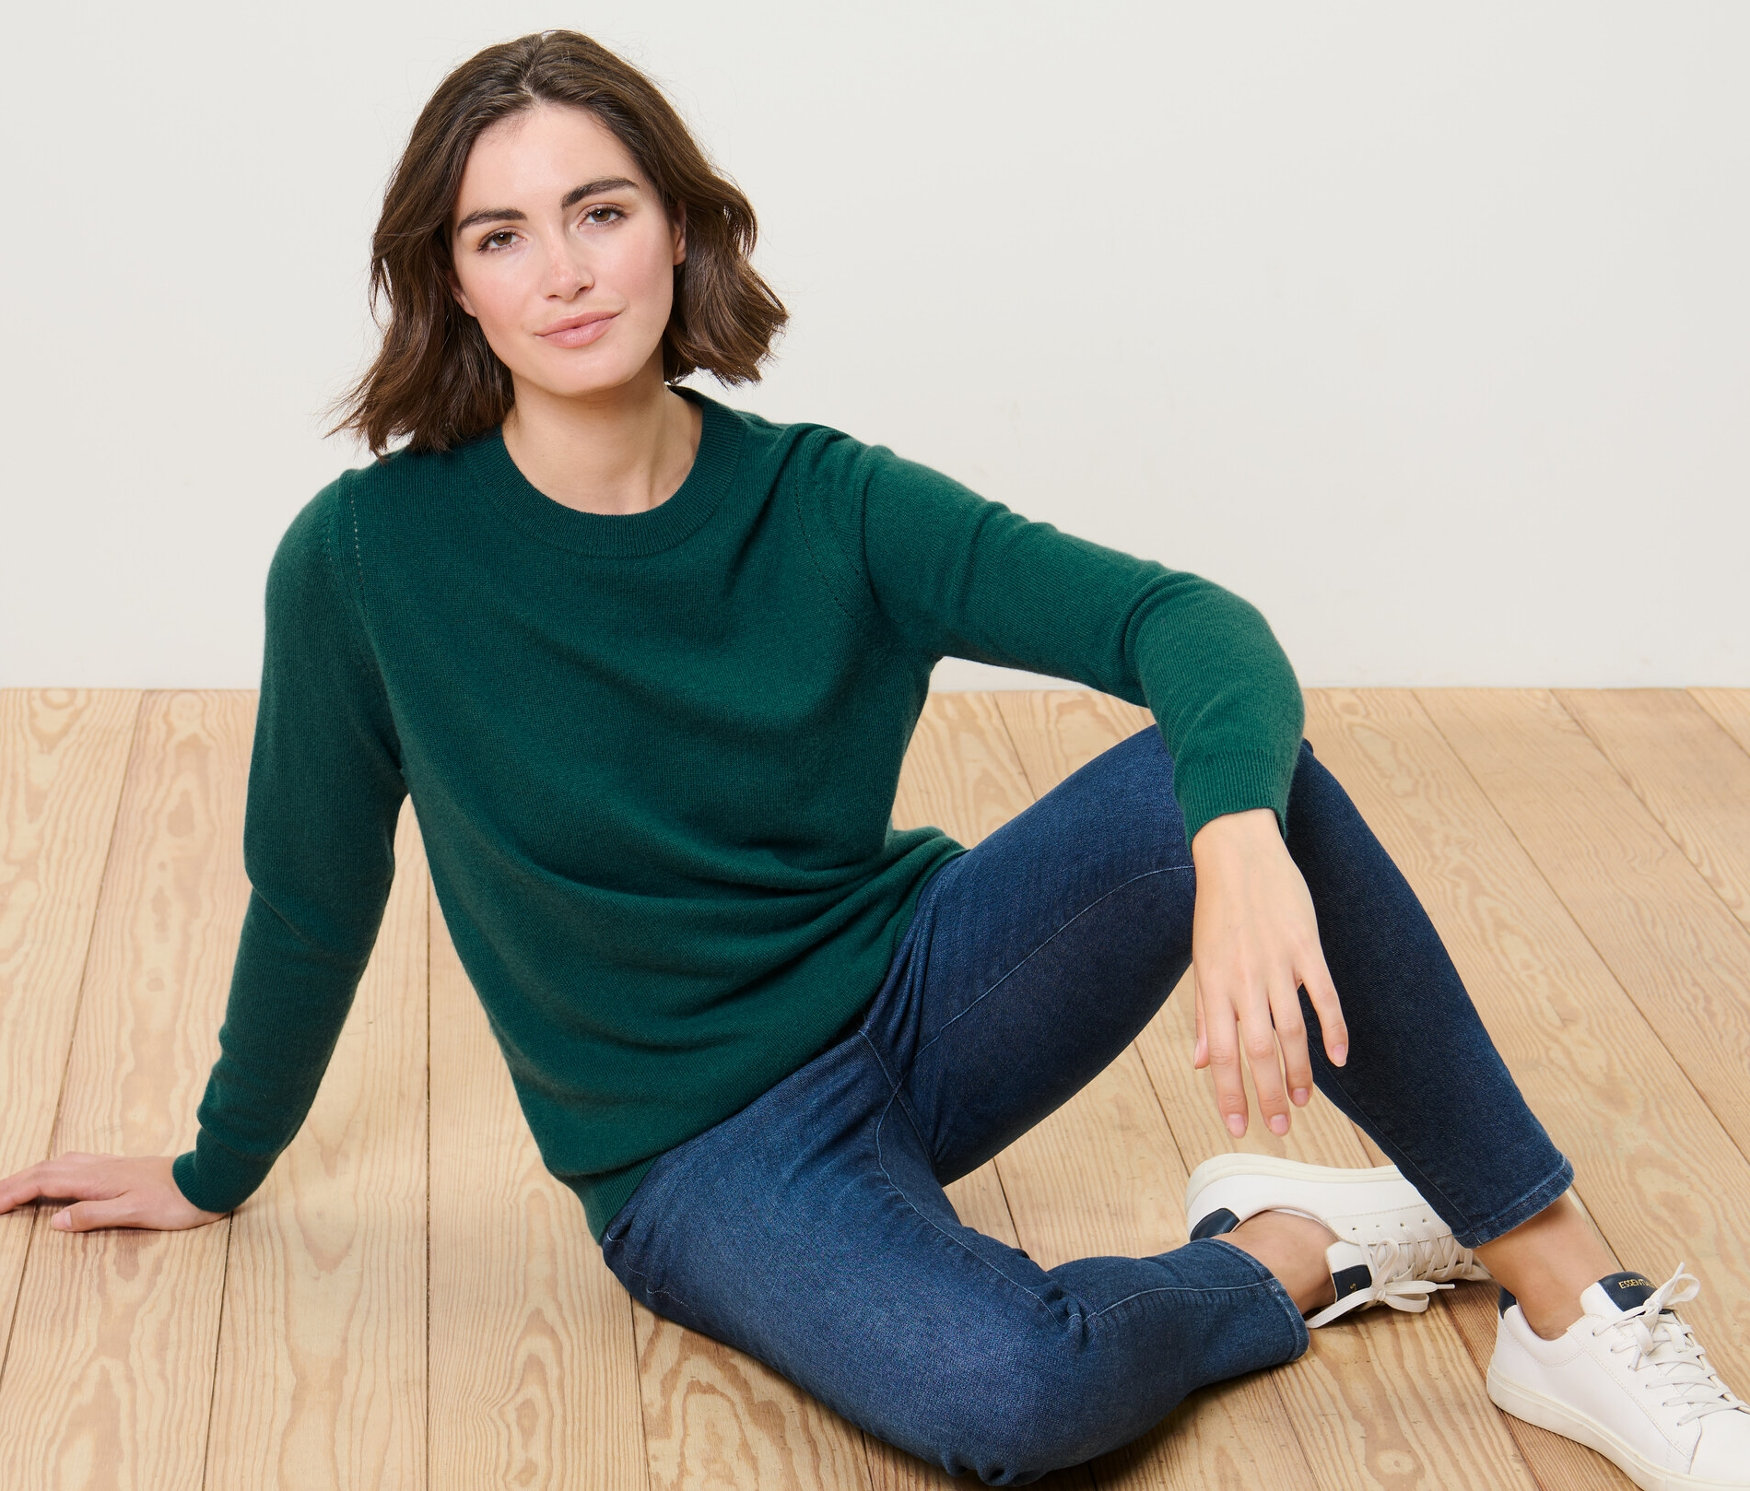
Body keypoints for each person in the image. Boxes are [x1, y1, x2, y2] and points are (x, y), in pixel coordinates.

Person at [2, 28, 1743, 1490]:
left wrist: (1228, 835)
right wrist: (215, 1163)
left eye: (598, 212)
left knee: (1241, 781)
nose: (561, 271)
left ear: (678, 231)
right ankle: (1304, 1244)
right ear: (446, 279)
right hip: (695, 1156)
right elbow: (312, 890)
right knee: (1019, 1400)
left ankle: (1568, 1311)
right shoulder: (366, 559)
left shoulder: (824, 503)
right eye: (501, 235)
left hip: (917, 1001)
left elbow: (1184, 619)